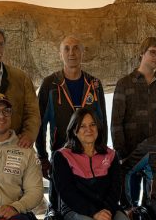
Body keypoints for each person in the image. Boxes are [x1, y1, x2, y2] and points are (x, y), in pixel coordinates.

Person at [111, 36, 156, 201]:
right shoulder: (124, 84)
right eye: (153, 52)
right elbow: (116, 122)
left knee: (154, 203)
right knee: (129, 203)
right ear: (141, 53)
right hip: (130, 153)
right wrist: (121, 154)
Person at [37, 35, 107, 179]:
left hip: (90, 156)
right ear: (60, 54)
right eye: (66, 49)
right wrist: (43, 157)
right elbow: (40, 124)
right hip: (60, 155)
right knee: (60, 193)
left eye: (76, 48)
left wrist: (102, 152)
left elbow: (102, 122)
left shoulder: (94, 84)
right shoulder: (50, 84)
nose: (71, 53)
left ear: (82, 53)